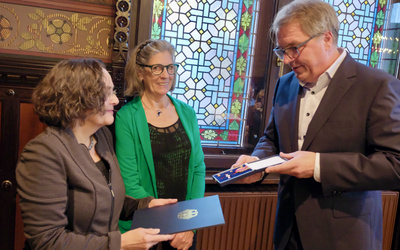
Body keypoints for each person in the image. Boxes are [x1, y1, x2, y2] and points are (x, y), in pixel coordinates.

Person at [232, 0, 400, 249]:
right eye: (282, 51)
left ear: (327, 39)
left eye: (294, 48)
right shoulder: (285, 84)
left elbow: (395, 165)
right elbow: (271, 138)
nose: (288, 59)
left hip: (343, 235)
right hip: (288, 231)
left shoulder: (376, 86)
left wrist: (319, 165)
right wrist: (258, 163)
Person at [16, 58, 177, 249]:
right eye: (106, 92)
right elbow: (47, 241)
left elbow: (105, 198)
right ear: (77, 97)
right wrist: (120, 243)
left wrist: (144, 206)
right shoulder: (43, 153)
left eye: (113, 92)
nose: (115, 100)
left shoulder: (101, 136)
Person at [115, 39, 206, 250]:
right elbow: (129, 182)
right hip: (144, 231)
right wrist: (169, 224)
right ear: (140, 73)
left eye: (170, 67)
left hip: (184, 231)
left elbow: (198, 169)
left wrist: (188, 226)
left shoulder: (187, 112)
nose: (166, 75)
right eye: (157, 68)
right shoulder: (126, 117)